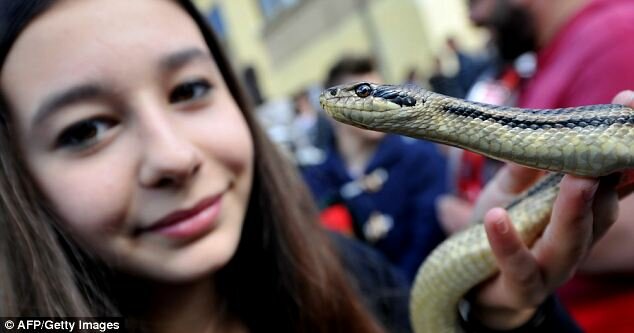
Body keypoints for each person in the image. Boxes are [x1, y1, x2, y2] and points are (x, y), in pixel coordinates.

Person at [0, 0, 620, 332]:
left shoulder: (351, 273)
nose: (174, 158)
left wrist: (501, 318)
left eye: (188, 90)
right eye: (86, 129)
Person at [468, 0, 634, 331]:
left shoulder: (616, 36)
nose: (475, 16)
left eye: (475, 1)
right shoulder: (546, 55)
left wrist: (475, 228)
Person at [302, 55, 449, 281]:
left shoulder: (421, 159)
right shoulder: (314, 181)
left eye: (382, 91)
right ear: (331, 108)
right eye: (363, 94)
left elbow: (429, 244)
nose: (378, 103)